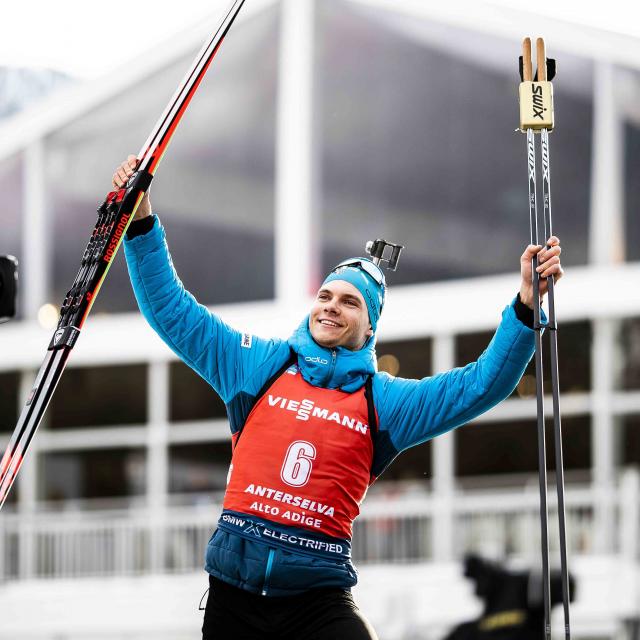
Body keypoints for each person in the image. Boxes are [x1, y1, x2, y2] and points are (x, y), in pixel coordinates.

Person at [114, 155, 563, 640]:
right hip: (233, 598)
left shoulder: (383, 402)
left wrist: (526, 303)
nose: (331, 307)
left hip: (318, 603)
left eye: (349, 302)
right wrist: (139, 223)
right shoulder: (258, 365)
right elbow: (171, 311)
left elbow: (481, 385)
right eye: (325, 296)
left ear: (370, 326)